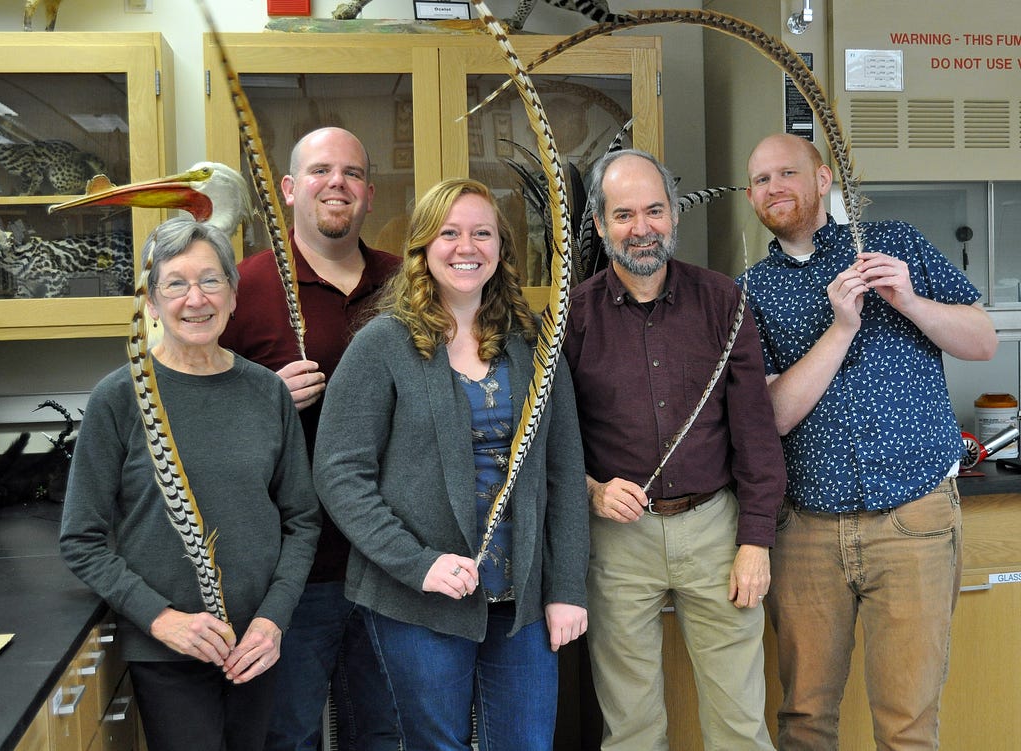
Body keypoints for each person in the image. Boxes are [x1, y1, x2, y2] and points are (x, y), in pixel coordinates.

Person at [741, 133, 998, 750]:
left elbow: (982, 340)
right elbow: (771, 416)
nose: (774, 188)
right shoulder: (749, 290)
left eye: (787, 173)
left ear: (823, 179)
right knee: (803, 719)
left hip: (913, 517)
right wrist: (842, 328)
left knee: (908, 725)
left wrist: (908, 300)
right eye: (760, 180)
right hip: (806, 528)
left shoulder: (894, 246)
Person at [313, 177, 590, 750]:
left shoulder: (533, 345)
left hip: (523, 601)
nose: (467, 247)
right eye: (450, 233)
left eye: (482, 233)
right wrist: (419, 564)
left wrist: (567, 588)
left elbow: (563, 475)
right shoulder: (382, 345)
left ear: (500, 249)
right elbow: (340, 475)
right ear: (423, 248)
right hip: (419, 601)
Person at [60, 216, 321, 751]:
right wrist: (162, 620)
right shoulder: (118, 399)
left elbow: (302, 521)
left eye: (210, 280)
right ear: (152, 302)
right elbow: (81, 540)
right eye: (175, 283)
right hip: (169, 654)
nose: (194, 298)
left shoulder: (267, 395)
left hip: (257, 646)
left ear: (233, 293)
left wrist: (272, 621)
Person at [562, 149, 786, 751]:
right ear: (603, 225)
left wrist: (755, 542)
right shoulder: (573, 318)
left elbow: (756, 434)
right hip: (616, 539)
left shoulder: (724, 302)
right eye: (625, 214)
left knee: (741, 723)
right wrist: (593, 490)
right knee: (631, 727)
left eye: (654, 210)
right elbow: (554, 444)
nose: (642, 228)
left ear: (673, 216)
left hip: (716, 529)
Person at [218, 126, 401, 750]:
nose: (337, 183)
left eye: (351, 173)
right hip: (295, 573)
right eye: (321, 170)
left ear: (369, 194)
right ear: (292, 189)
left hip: (395, 567)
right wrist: (264, 399)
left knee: (382, 734)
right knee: (289, 735)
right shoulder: (243, 290)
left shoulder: (408, 287)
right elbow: (195, 415)